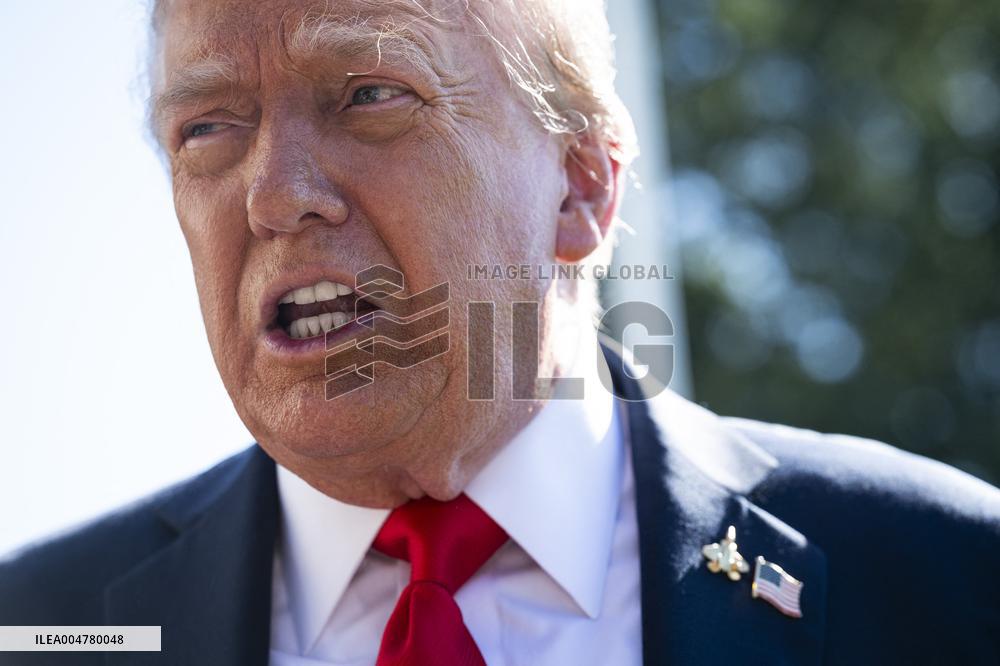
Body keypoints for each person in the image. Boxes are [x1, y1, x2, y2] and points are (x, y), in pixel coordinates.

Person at [2, 1, 998, 664]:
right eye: (208, 128)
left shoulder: (947, 579)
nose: (274, 195)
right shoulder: (40, 627)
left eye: (368, 95)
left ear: (582, 184)